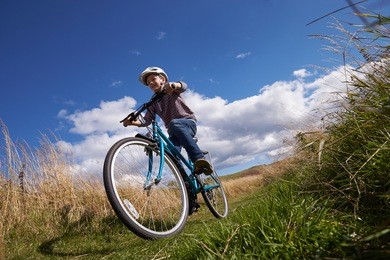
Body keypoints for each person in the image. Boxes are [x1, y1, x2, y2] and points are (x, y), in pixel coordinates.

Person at [122, 66, 213, 175]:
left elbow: (183, 86)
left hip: (188, 123)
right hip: (174, 132)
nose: (151, 83)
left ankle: (199, 158)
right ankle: (185, 182)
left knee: (174, 123)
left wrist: (174, 85)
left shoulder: (171, 89)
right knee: (171, 154)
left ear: (163, 79)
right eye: (148, 82)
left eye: (153, 79)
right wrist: (132, 122)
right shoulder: (153, 102)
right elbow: (146, 121)